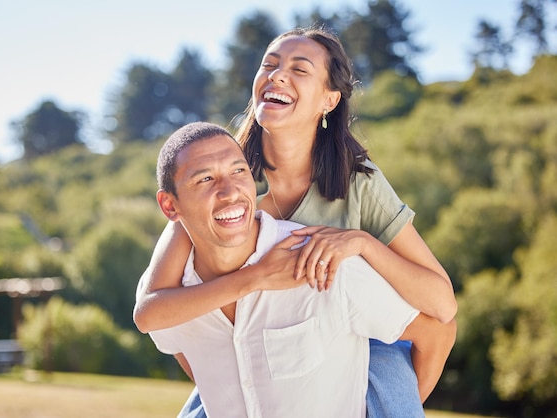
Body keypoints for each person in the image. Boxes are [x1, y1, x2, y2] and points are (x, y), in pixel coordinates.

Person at [134, 26, 457, 417]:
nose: (278, 74)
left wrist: (360, 243)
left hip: (366, 339)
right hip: (260, 345)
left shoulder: (356, 181)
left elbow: (441, 305)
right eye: (269, 64)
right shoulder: (229, 181)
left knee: (387, 372)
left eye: (299, 69)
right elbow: (159, 312)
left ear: (329, 99)